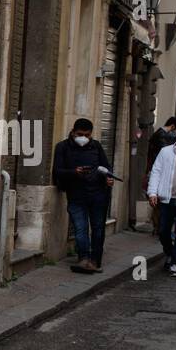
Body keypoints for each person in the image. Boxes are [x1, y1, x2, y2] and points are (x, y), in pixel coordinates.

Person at [51, 117, 114, 274]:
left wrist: (108, 178)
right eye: (80, 134)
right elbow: (57, 171)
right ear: (73, 132)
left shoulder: (96, 146)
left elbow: (106, 167)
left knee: (98, 228)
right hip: (76, 194)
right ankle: (83, 259)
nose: (83, 138)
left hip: (98, 194)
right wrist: (74, 172)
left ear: (91, 135)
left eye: (87, 135)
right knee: (80, 228)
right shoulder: (62, 147)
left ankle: (95, 261)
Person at [146, 115, 176, 276]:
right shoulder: (166, 152)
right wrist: (152, 193)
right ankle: (170, 253)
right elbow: (156, 172)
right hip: (166, 198)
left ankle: (175, 264)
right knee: (163, 231)